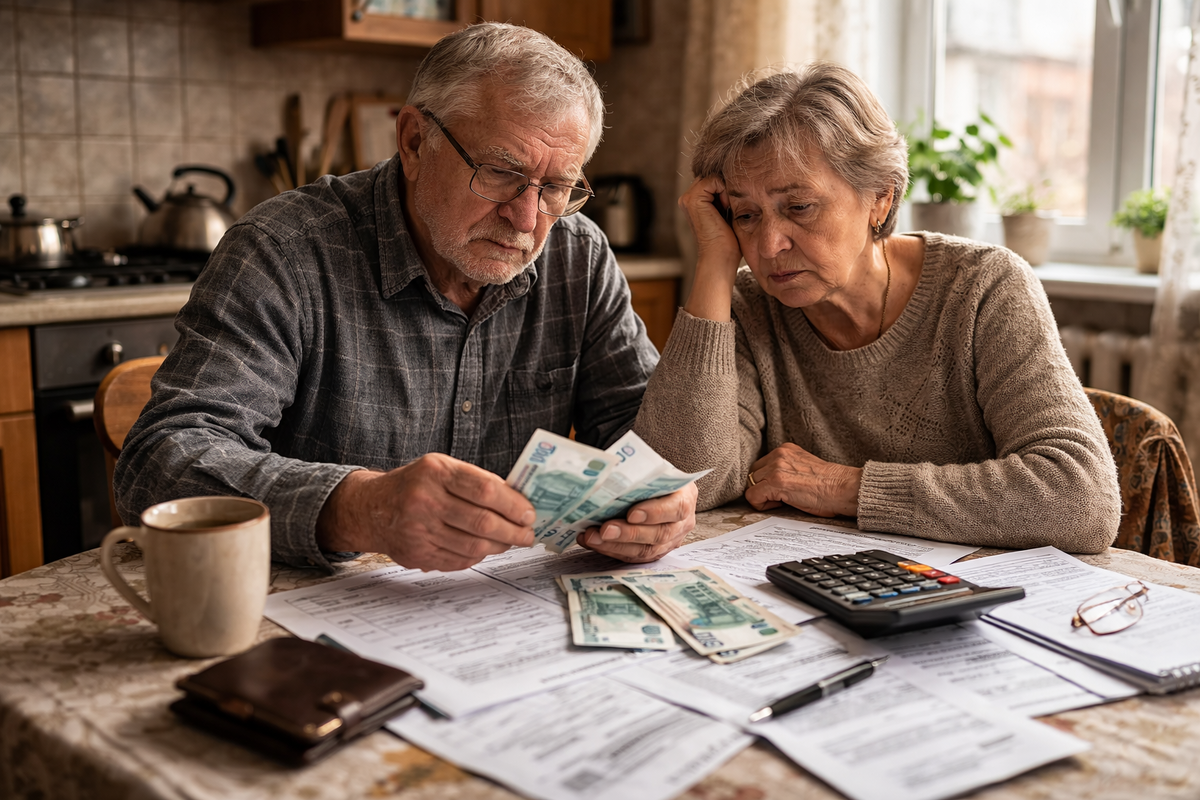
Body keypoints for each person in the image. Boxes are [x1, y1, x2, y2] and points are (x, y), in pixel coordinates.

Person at [115, 22, 697, 573]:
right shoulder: (283, 252)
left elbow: (637, 435)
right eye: (500, 172)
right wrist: (360, 509)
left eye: (557, 187)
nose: (527, 217)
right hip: (316, 620)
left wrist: (661, 501)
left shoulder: (579, 255)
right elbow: (159, 462)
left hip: (510, 617)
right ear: (415, 141)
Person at [633, 63, 1120, 553]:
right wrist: (716, 260)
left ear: (880, 199)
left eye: (799, 207)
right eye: (745, 214)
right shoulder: (746, 306)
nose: (768, 244)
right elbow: (678, 482)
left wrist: (845, 488)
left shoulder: (983, 287)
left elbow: (1083, 500)